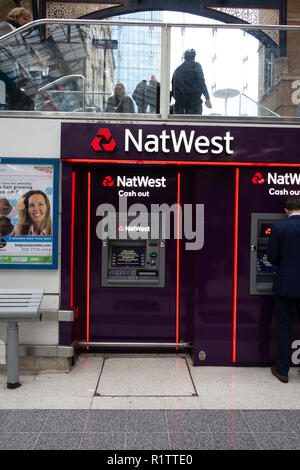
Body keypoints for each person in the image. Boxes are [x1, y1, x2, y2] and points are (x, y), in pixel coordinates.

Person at [267, 198, 300, 383]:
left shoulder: (280, 228)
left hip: (286, 285)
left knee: (284, 328)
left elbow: (271, 258)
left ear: (286, 210)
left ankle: (282, 371)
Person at [0, 7, 34, 111]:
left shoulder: (17, 32)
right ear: (15, 17)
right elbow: (13, 51)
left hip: (11, 72)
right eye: (24, 19)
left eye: (29, 20)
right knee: (22, 101)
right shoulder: (5, 27)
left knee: (23, 100)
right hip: (5, 71)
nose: (27, 23)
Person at [171, 48, 212, 115]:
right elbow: (201, 83)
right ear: (194, 57)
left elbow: (173, 91)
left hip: (179, 108)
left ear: (185, 57)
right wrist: (207, 99)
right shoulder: (196, 66)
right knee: (194, 124)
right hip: (194, 106)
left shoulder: (177, 70)